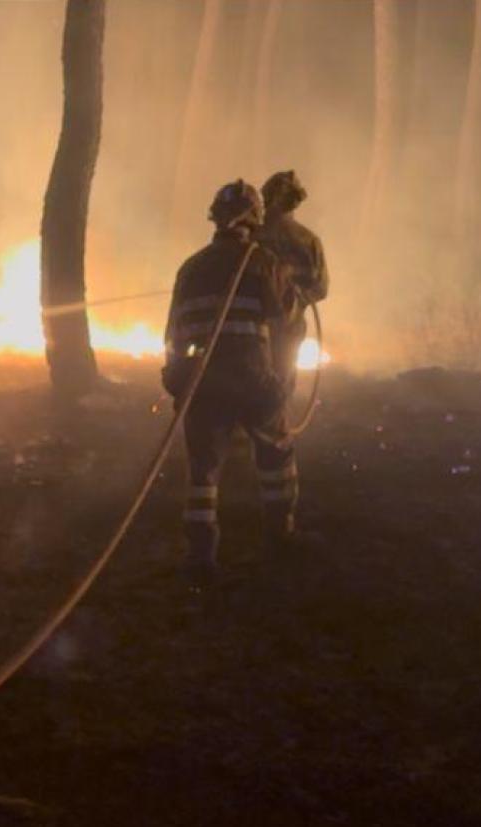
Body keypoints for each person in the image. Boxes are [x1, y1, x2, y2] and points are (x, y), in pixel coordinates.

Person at [162, 181, 300, 580]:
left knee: (202, 468)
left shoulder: (190, 268)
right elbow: (285, 323)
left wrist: (176, 380)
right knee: (275, 453)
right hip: (253, 376)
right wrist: (281, 379)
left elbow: (174, 334)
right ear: (254, 218)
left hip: (203, 380)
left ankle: (201, 554)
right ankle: (280, 536)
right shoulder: (263, 262)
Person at [255, 169, 328, 384]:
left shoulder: (251, 235)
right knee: (278, 390)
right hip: (288, 330)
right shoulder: (309, 240)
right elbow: (321, 288)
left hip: (248, 330)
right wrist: (295, 302)